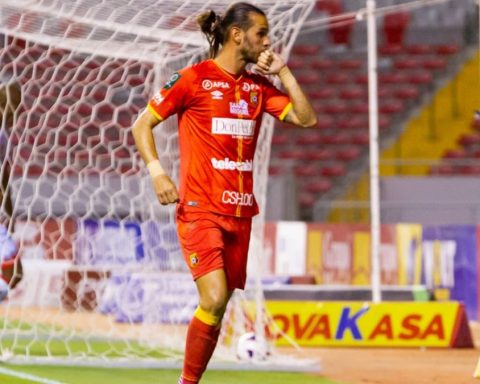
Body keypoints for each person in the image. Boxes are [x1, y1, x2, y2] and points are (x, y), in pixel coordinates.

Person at [132, 3, 316, 383]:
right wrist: (157, 173)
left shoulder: (257, 88)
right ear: (237, 35)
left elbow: (305, 118)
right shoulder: (193, 78)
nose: (266, 41)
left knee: (217, 308)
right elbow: (141, 125)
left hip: (241, 215)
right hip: (200, 210)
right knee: (214, 298)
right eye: (261, 33)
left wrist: (282, 71)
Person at [0, 80, 23, 301]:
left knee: (15, 272)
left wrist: (10, 208)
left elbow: (4, 176)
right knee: (14, 271)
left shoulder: (4, 136)